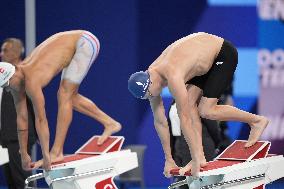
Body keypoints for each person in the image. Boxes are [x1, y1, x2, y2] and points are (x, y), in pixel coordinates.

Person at [128, 32, 269, 177]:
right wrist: (169, 159)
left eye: (150, 94)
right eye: (148, 97)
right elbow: (160, 121)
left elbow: (185, 119)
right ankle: (200, 157)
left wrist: (193, 159)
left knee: (206, 110)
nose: (152, 97)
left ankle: (256, 121)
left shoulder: (173, 75)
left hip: (222, 54)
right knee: (189, 105)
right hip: (201, 62)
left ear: (150, 82)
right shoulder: (150, 78)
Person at [0, 30, 122, 171]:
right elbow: (21, 119)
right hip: (72, 45)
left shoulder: (30, 81)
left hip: (84, 42)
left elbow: (41, 120)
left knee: (64, 95)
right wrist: (24, 154)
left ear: (12, 75)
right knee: (71, 97)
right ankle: (110, 123)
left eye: (7, 85)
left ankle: (57, 152)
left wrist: (46, 155)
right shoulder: (16, 82)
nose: (7, 90)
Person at [0, 38, 37, 189]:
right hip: (5, 137)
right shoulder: (3, 73)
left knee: (22, 179)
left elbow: (35, 103)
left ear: (16, 52)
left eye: (5, 50)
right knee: (11, 180)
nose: (1, 53)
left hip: (19, 137)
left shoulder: (25, 72)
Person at [168, 100, 221, 189]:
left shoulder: (197, 100)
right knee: (181, 182)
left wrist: (216, 143)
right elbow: (170, 129)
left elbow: (212, 126)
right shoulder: (174, 103)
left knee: (198, 182)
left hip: (200, 145)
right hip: (179, 145)